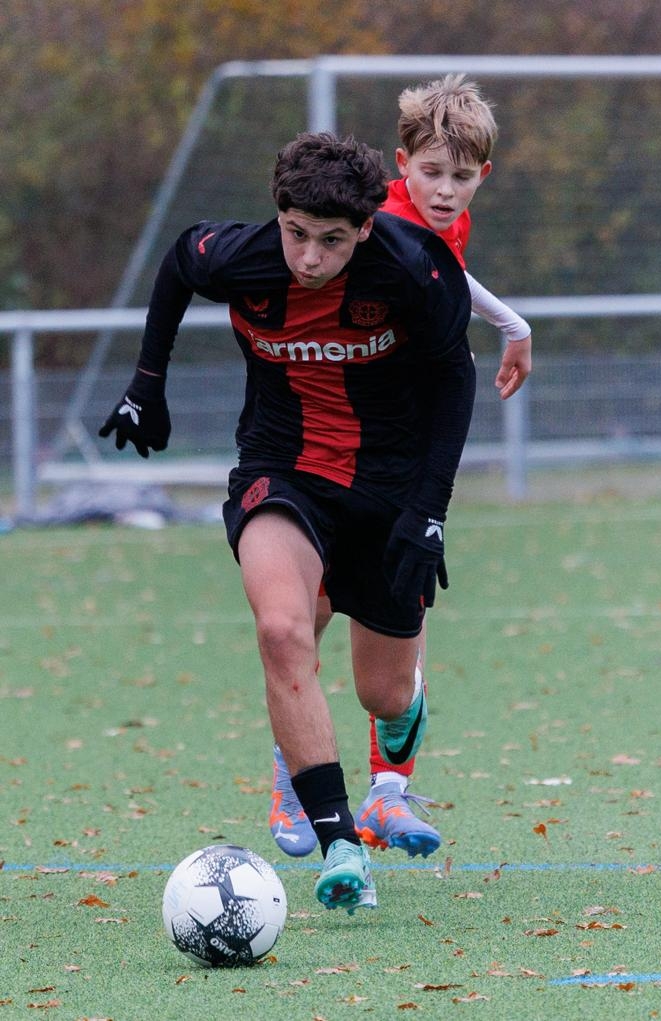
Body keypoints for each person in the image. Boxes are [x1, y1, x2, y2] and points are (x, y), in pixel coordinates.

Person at [99, 131, 476, 914]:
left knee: (383, 694)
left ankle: (404, 712)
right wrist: (146, 382)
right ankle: (340, 842)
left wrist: (429, 512)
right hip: (282, 470)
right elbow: (178, 261)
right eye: (296, 232)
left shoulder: (413, 266)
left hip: (388, 487)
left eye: (331, 240)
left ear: (366, 227)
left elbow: (455, 380)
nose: (308, 257)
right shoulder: (243, 257)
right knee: (281, 629)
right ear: (279, 215)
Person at [269, 74, 533, 862]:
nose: (445, 190)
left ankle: (387, 791)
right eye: (432, 173)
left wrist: (506, 324)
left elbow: (445, 284)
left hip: (405, 456)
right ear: (401, 166)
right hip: (335, 447)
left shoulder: (445, 220)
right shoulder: (374, 222)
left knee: (400, 633)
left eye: (462, 176)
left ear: (482, 175)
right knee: (306, 616)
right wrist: (513, 324)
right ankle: (294, 779)